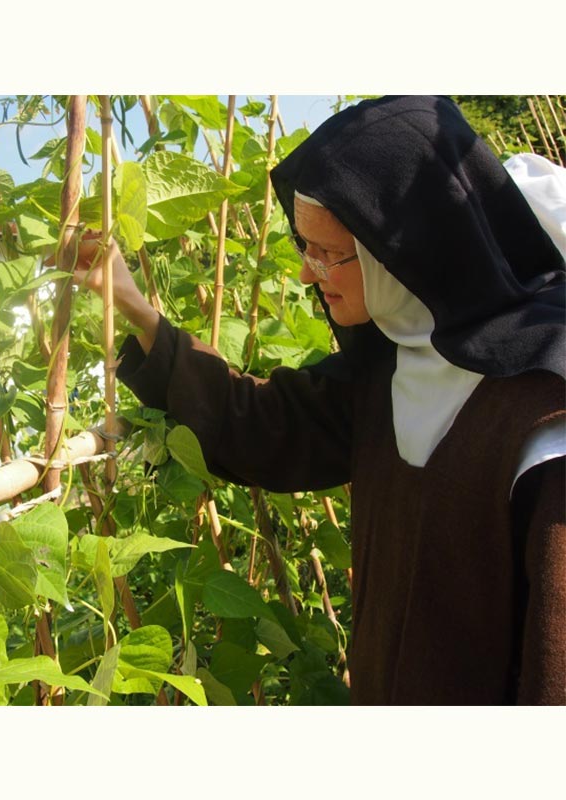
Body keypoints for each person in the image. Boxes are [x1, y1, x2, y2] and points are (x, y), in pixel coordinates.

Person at [72, 95, 566, 705]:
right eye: (304, 247)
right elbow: (265, 427)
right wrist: (132, 303)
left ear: (403, 249)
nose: (307, 273)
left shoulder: (543, 420)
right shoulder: (393, 365)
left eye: (329, 253)